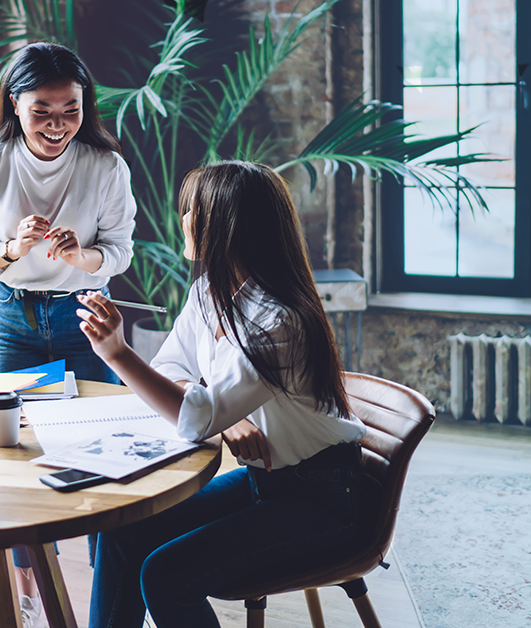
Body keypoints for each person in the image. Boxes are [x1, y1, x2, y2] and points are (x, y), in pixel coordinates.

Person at [75, 161, 378, 627]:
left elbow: (195, 418)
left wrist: (117, 354)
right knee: (124, 533)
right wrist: (227, 413)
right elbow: (170, 371)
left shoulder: (279, 320)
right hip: (269, 481)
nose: (183, 218)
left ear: (226, 224)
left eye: (192, 209)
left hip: (323, 497)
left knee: (165, 574)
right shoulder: (209, 293)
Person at [0, 43, 137, 621]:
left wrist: (81, 257)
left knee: (99, 448)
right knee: (18, 450)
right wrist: (13, 248)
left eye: (70, 109)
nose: (58, 125)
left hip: (84, 312)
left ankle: (115, 595)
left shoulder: (105, 165)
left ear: (86, 105)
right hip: (12, 315)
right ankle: (30, 593)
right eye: (42, 111)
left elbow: (120, 253)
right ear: (14, 104)